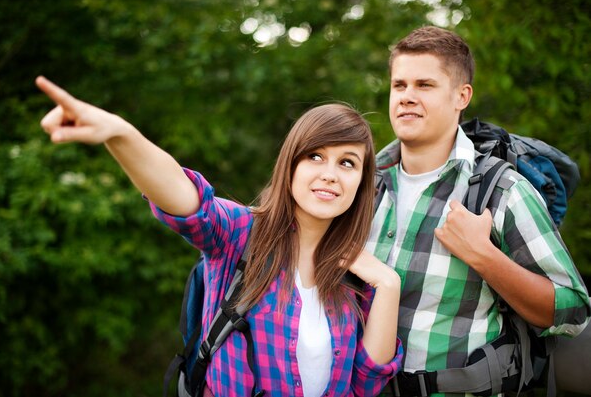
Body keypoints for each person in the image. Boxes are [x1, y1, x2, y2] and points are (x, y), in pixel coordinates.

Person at [35, 75, 404, 397]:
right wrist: (120, 133)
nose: (330, 174)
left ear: (361, 181)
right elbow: (184, 199)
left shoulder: (359, 277)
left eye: (347, 163)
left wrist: (388, 285)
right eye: (315, 157)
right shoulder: (241, 234)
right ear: (290, 164)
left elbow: (366, 386)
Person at [366, 26, 590, 396]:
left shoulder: (502, 191)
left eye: (424, 85)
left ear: (461, 96)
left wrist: (483, 256)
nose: (406, 97)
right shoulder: (363, 186)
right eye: (399, 85)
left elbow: (573, 311)